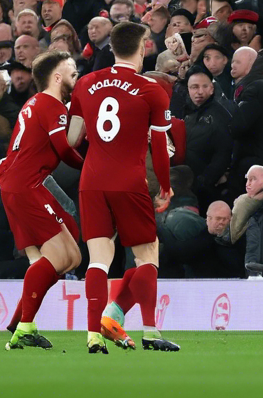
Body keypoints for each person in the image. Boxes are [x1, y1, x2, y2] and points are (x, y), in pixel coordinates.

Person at [68, 21, 179, 354]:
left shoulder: (85, 83)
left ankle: (92, 334)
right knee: (146, 254)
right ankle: (150, 331)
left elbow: (72, 138)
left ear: (112, 47)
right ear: (143, 46)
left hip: (92, 180)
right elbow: (159, 147)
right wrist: (166, 187)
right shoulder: (151, 90)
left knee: (98, 260)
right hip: (129, 180)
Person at [0, 50, 83, 350]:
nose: (75, 75)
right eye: (72, 71)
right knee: (58, 258)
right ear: (57, 77)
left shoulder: (33, 103)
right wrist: (93, 164)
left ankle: (20, 320)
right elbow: (64, 150)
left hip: (25, 184)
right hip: (26, 187)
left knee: (73, 255)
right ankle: (25, 327)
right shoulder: (50, 104)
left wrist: (1, 171)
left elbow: (20, 146)